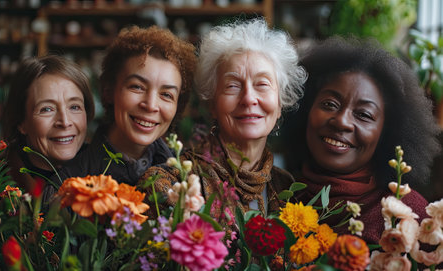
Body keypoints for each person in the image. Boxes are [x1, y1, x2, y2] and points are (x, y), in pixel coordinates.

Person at [141, 18, 306, 216]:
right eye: (232, 86)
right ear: (212, 104)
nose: (248, 98)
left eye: (262, 84)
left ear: (280, 104)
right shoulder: (170, 185)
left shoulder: (287, 190)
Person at [284, 37, 441, 244]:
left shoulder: (409, 219)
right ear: (305, 110)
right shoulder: (277, 197)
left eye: (364, 115)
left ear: (386, 134)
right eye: (330, 104)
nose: (342, 121)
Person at [54, 25, 197, 187]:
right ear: (109, 91)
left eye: (166, 95)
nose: (150, 105)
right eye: (137, 87)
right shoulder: (69, 181)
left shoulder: (187, 179)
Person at [1, 55, 95, 193]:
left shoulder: (108, 173)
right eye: (47, 109)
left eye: (74, 107)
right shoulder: (0, 182)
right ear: (21, 122)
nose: (65, 122)